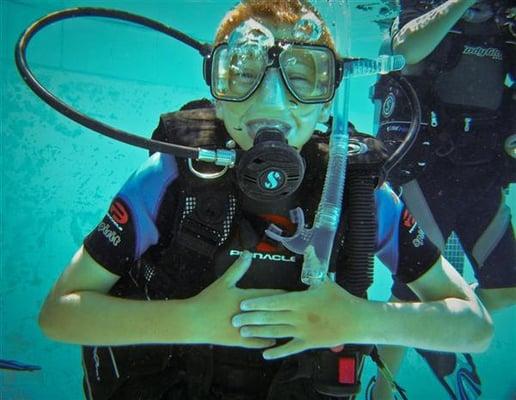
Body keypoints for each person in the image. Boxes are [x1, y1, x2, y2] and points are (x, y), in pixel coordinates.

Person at [38, 1, 493, 399]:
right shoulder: (171, 176)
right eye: (242, 75)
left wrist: (357, 320)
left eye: (303, 77)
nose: (272, 102)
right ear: (218, 93)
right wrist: (191, 322)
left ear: (329, 96)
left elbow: (473, 325)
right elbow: (59, 314)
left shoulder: (359, 190)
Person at [372, 0, 516, 398]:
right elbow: (403, 50)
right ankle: (380, 392)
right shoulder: (428, 6)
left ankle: (440, 325)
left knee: (507, 289)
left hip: (485, 172)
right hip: (428, 173)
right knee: (407, 292)